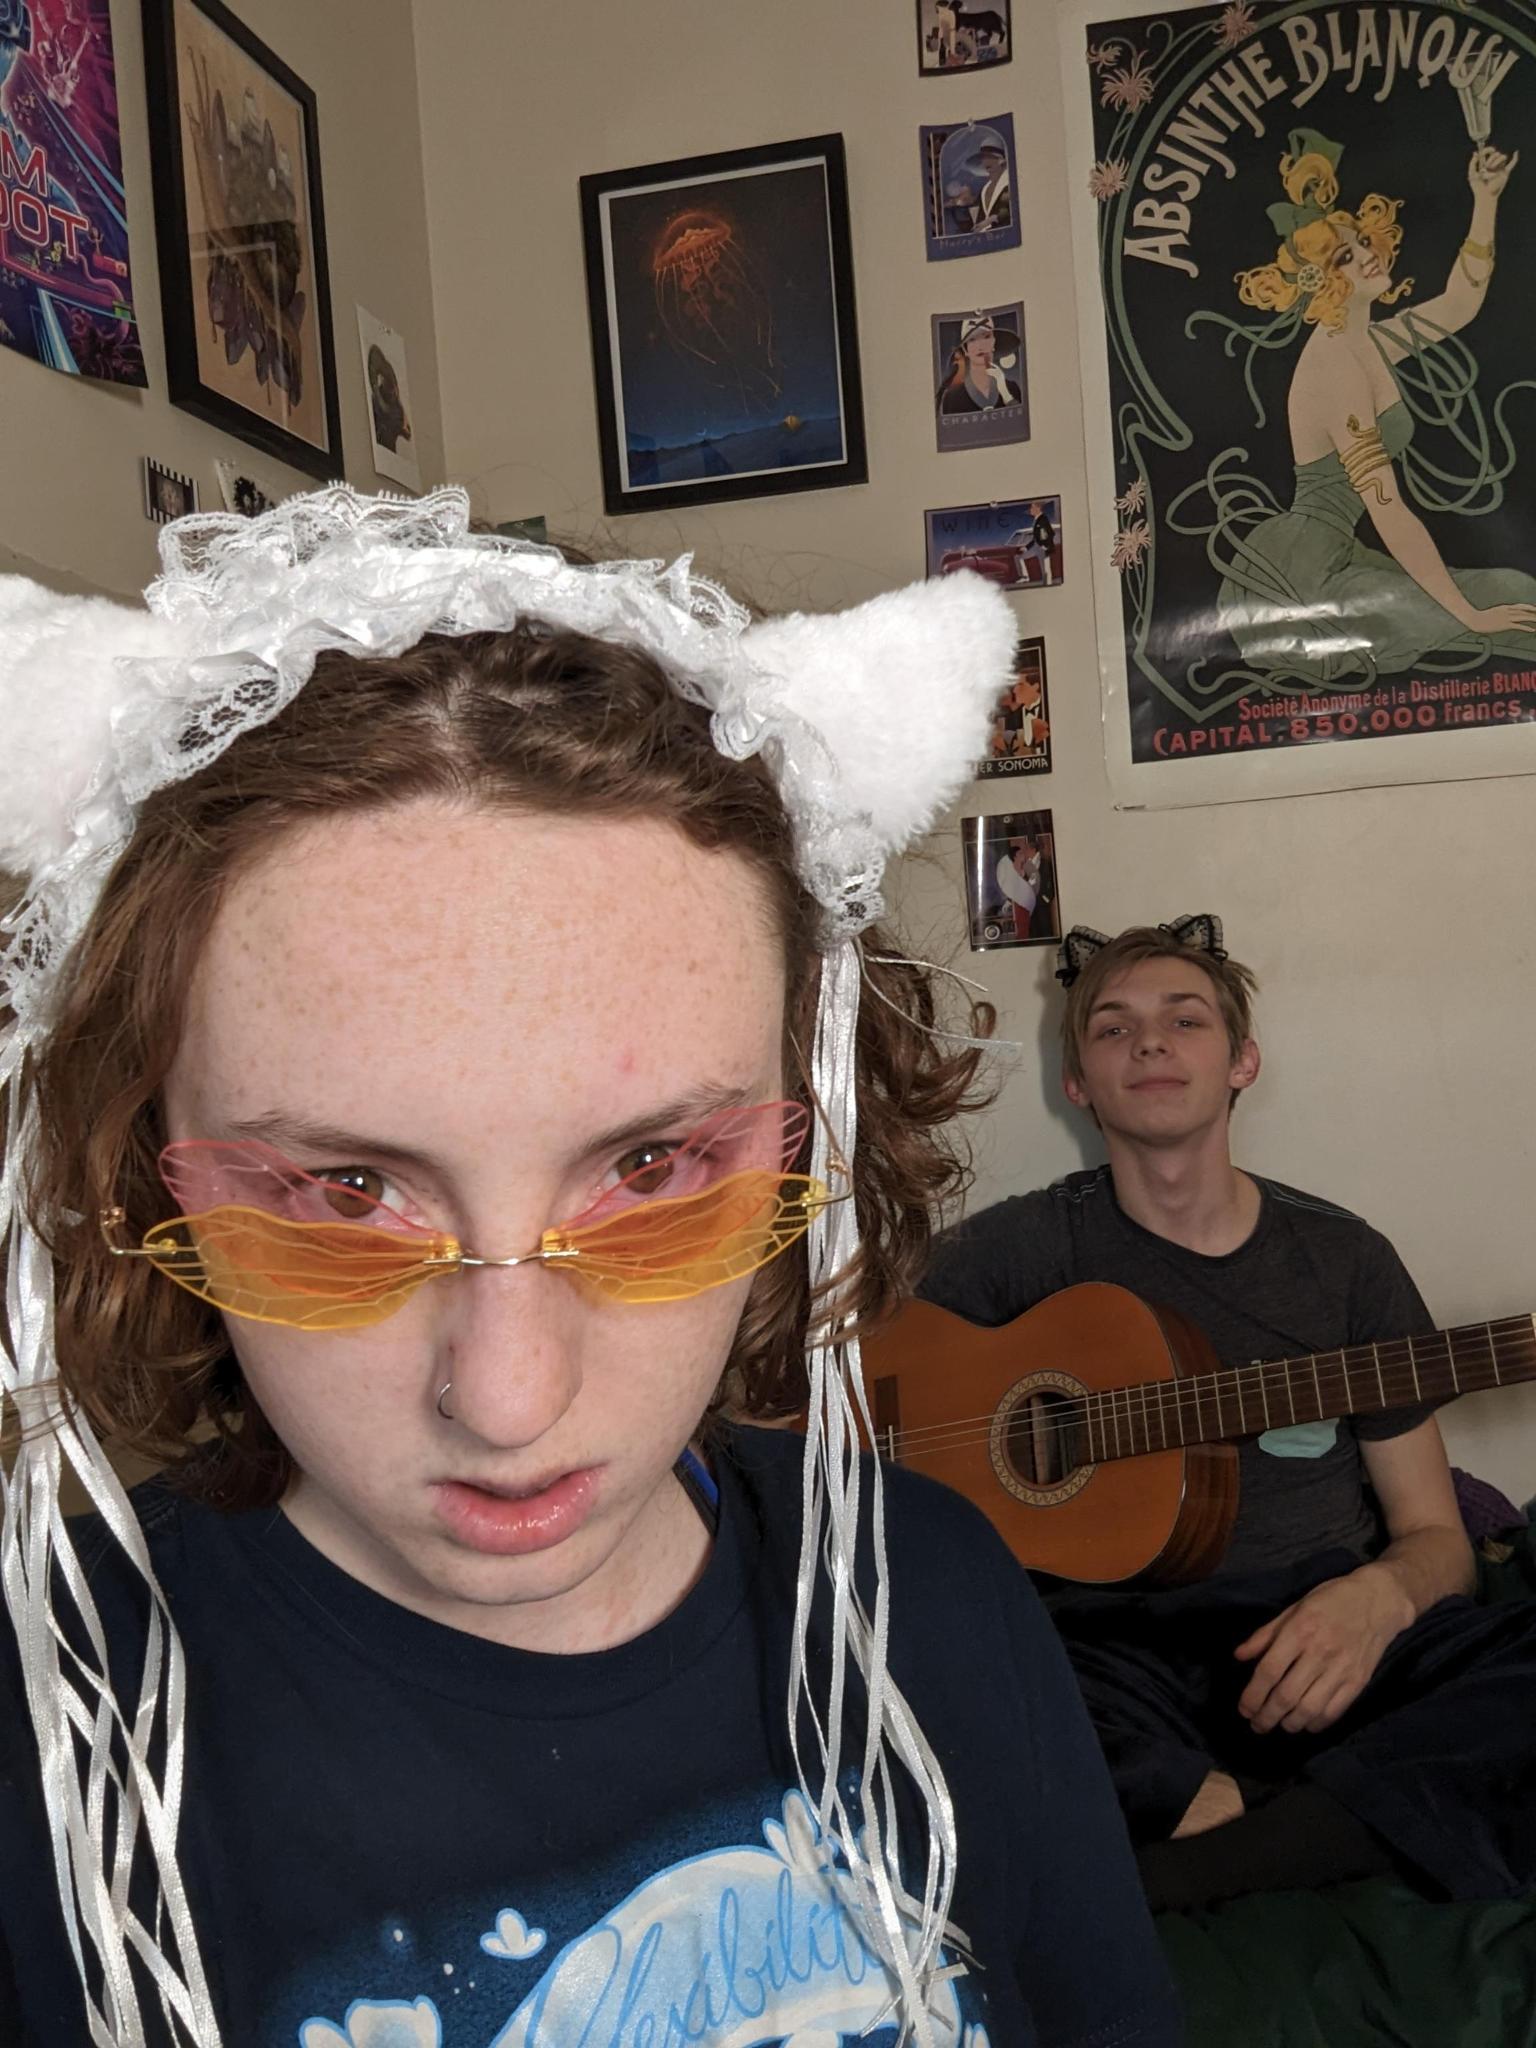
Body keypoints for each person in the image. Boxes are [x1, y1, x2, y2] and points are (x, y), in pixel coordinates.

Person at [0, 491, 1182, 2047]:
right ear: (134, 1152)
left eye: (651, 1170)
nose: (507, 1397)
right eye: (345, 1191)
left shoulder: (934, 1599)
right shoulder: (43, 1747)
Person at [922, 915, 1536, 1911]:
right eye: (1113, 1027)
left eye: (1184, 1018)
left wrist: (1376, 1598)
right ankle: (1320, 1823)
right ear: (1078, 1080)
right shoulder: (1022, 1248)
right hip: (1106, 1647)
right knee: (928, 1684)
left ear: (1242, 1059)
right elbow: (852, 1362)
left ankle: (1204, 1847)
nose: (1150, 1042)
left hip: (1317, 1623)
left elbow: (1436, 1534)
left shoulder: (1346, 1261)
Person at [1207, 127, 1536, 681]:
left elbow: (1461, 302)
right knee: (1499, 605)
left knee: (1518, 591)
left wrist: (1485, 200)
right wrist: (1469, 616)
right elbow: (1388, 509)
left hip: (1344, 557)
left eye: (1361, 241)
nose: (1366, 256)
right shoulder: (1334, 367)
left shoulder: (1370, 339)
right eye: (1344, 257)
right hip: (1307, 577)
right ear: (1320, 282)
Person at [937, 313, 1022, 416]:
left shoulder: (1012, 389)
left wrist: (1006, 394)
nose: (980, 346)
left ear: (994, 343)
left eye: (986, 337)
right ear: (965, 349)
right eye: (972, 340)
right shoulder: (951, 398)